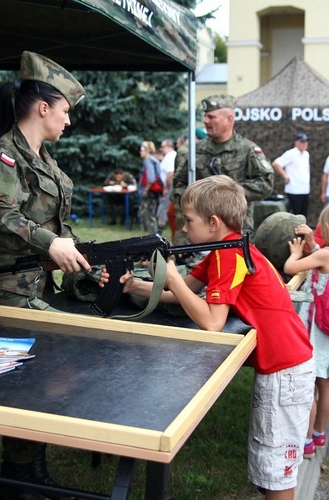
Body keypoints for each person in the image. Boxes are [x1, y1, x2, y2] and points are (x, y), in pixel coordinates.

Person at [104, 175, 314, 500]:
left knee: (277, 472)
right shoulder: (222, 250)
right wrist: (135, 286)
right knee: (269, 463)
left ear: (213, 222)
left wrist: (171, 276)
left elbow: (212, 322)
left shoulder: (229, 256)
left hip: (285, 369)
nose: (185, 228)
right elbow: (183, 290)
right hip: (283, 365)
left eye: (189, 220)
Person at [0, 50, 90, 499]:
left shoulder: (45, 162)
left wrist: (81, 264)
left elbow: (59, 230)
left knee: (37, 374)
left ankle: (27, 469)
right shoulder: (1, 156)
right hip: (1, 283)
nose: (68, 121)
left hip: (34, 279)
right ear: (43, 108)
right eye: (65, 111)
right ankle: (16, 480)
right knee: (26, 378)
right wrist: (50, 244)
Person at [284, 202, 329, 454]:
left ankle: (305, 441)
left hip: (316, 328)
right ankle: (318, 434)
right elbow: (326, 260)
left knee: (309, 386)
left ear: (326, 227)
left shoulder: (326, 255)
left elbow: (290, 268)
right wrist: (312, 247)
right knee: (326, 384)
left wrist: (296, 251)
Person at [171, 95, 274, 244]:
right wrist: (194, 203)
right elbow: (178, 183)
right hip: (199, 233)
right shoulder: (196, 150)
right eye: (205, 116)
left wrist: (227, 194)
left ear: (229, 119)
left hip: (236, 231)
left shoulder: (247, 150)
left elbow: (266, 183)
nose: (206, 121)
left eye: (212, 117)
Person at [272, 133, 311, 218]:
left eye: (306, 141)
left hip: (305, 190)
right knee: (294, 216)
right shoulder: (291, 153)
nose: (305, 143)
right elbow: (276, 164)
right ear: (296, 142)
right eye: (302, 141)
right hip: (294, 190)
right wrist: (285, 176)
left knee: (303, 215)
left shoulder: (306, 154)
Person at [137, 140, 162, 234]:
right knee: (151, 214)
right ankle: (154, 236)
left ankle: (152, 237)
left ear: (147, 150)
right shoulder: (154, 160)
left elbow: (151, 178)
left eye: (142, 149)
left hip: (150, 192)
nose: (140, 151)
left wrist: (146, 190)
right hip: (154, 192)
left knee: (148, 215)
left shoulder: (148, 160)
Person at [157, 139, 176, 234]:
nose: (161, 149)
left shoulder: (170, 156)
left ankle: (160, 229)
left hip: (169, 185)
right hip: (169, 185)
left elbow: (170, 173)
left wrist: (166, 187)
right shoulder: (170, 156)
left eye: (162, 146)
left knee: (164, 206)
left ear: (169, 146)